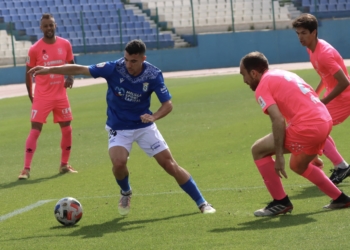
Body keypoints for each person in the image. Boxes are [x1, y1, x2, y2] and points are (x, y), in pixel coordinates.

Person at [28, 39, 216, 215]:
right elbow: (81, 68)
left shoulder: (153, 74)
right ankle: (126, 192)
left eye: (133, 61)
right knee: (118, 163)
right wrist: (47, 69)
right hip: (119, 127)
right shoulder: (114, 68)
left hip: (144, 126)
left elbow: (168, 104)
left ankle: (202, 203)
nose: (128, 65)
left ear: (143, 58)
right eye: (126, 59)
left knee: (170, 165)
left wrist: (154, 116)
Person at [240, 51, 350, 217]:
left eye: (244, 75)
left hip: (308, 127)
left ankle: (280, 202)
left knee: (258, 150)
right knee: (297, 166)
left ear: (254, 73)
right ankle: (341, 198)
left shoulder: (262, 86)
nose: (245, 80)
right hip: (324, 120)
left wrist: (279, 156)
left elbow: (278, 121)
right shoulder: (283, 74)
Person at [292, 13, 350, 185]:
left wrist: (322, 102)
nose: (300, 37)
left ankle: (341, 167)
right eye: (298, 33)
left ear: (314, 32)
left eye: (303, 33)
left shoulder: (324, 53)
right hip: (333, 95)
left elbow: (344, 82)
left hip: (344, 98)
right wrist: (315, 96)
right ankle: (341, 166)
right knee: (317, 128)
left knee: (315, 127)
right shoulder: (311, 49)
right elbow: (326, 76)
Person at [18, 14, 77, 180]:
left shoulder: (65, 44)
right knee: (35, 131)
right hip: (42, 97)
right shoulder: (35, 49)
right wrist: (31, 96)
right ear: (41, 28)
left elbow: (71, 64)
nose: (49, 28)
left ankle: (64, 165)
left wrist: (70, 78)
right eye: (45, 26)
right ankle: (26, 169)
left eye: (51, 25)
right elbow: (28, 74)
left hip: (60, 96)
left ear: (55, 25)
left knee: (67, 129)